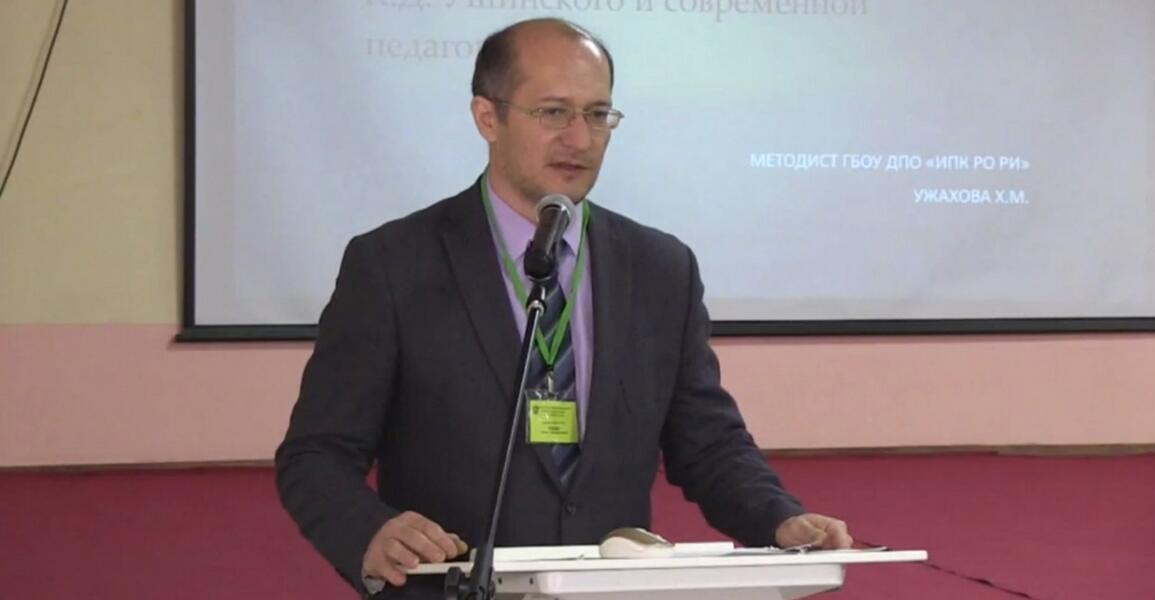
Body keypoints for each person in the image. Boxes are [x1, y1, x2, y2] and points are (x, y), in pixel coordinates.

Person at [275, 17, 851, 599]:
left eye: (597, 115)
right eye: (553, 112)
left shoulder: (660, 269)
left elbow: (708, 444)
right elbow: (317, 454)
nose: (580, 139)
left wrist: (780, 519)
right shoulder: (394, 265)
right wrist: (371, 533)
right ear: (487, 117)